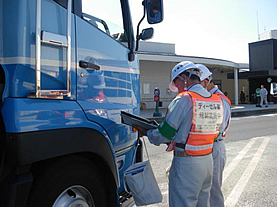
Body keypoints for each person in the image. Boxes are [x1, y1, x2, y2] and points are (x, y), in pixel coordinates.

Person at [141, 61, 224, 207]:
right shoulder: (216, 100)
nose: (177, 88)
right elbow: (212, 132)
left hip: (187, 165)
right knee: (202, 203)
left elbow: (165, 133)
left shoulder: (185, 99)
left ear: (184, 77)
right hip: (207, 161)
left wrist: (149, 133)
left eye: (176, 83)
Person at [196, 64, 231, 207]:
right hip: (206, 146)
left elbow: (216, 126)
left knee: (213, 190)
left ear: (205, 81)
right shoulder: (208, 97)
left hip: (214, 146)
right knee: (203, 189)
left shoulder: (219, 99)